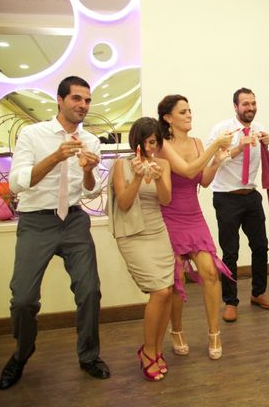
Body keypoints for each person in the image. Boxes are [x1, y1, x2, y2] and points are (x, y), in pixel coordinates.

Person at [0, 76, 109, 390]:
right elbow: (17, 182)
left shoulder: (91, 140)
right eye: (77, 99)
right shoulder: (33, 135)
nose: (83, 106)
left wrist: (88, 171)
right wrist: (55, 157)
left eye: (87, 100)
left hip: (74, 220)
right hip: (36, 221)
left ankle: (88, 356)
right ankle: (21, 353)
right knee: (22, 299)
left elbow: (91, 189)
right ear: (59, 101)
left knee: (90, 292)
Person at [157, 94, 233, 360]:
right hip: (169, 216)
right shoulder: (162, 145)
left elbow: (203, 180)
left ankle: (214, 332)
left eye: (190, 110)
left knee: (211, 272)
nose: (189, 115)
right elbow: (187, 171)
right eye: (183, 112)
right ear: (168, 118)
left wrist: (217, 161)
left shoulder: (198, 142)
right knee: (176, 277)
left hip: (194, 215)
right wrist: (214, 148)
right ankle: (176, 330)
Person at [108, 117, 173, 380]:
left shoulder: (164, 164)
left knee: (167, 291)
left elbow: (166, 200)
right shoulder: (120, 165)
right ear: (137, 140)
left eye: (156, 142)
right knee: (159, 291)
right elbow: (123, 203)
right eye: (149, 142)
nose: (152, 148)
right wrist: (137, 176)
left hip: (158, 231)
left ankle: (157, 349)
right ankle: (147, 351)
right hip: (133, 233)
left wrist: (157, 178)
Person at [206, 88, 269, 323]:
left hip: (251, 195)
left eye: (253, 103)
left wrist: (267, 145)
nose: (251, 108)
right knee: (230, 252)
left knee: (261, 246)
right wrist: (238, 148)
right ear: (235, 107)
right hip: (226, 197)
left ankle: (258, 293)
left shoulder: (260, 129)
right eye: (245, 104)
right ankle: (230, 301)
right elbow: (211, 160)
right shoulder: (221, 130)